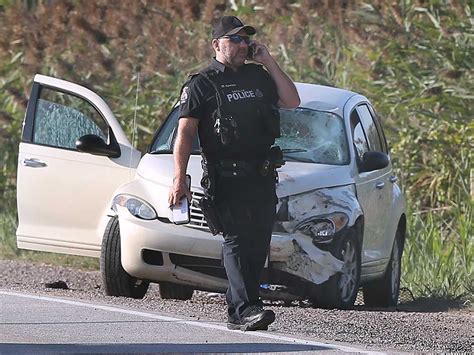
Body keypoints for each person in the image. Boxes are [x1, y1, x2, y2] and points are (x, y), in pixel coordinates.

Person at [169, 15, 300, 331]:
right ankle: (246, 308)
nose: (243, 45)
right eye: (235, 39)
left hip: (262, 175)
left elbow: (292, 100)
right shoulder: (202, 83)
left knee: (257, 244)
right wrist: (179, 178)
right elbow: (185, 133)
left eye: (246, 39)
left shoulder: (258, 76)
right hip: (226, 177)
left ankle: (240, 309)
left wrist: (268, 60)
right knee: (238, 242)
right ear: (217, 44)